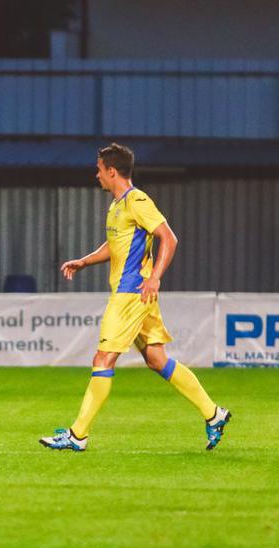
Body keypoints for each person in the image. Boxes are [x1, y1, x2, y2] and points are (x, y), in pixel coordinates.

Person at [40, 143, 231, 452]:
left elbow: (169, 238)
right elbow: (115, 245)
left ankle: (77, 435)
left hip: (131, 294)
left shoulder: (137, 200)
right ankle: (214, 414)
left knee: (103, 359)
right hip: (138, 296)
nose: (97, 175)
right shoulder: (117, 206)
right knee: (156, 359)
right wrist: (84, 261)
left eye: (99, 170)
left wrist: (155, 277)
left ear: (112, 171)